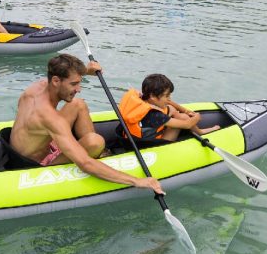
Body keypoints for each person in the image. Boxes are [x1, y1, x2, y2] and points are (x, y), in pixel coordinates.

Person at [8, 54, 164, 193]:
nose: (79, 88)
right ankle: (98, 153)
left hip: (20, 149)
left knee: (78, 103)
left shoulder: (36, 88)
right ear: (56, 81)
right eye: (74, 84)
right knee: (95, 142)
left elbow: (62, 85)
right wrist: (136, 181)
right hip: (34, 165)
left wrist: (88, 71)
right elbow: (84, 164)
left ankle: (97, 152)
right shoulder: (49, 118)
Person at [118, 73, 218, 142]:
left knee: (174, 110)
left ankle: (199, 131)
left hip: (132, 137)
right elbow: (187, 125)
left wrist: (186, 111)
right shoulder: (155, 115)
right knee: (180, 122)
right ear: (153, 96)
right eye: (166, 95)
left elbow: (170, 103)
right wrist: (196, 117)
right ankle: (200, 132)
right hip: (150, 144)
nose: (169, 98)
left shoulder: (142, 98)